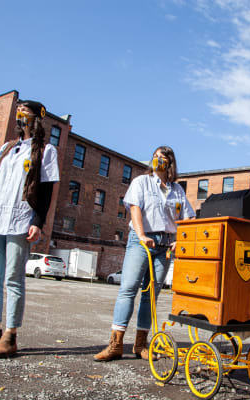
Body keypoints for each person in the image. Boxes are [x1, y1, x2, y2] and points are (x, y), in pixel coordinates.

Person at [0, 100, 59, 358]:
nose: (20, 117)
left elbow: (47, 190)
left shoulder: (45, 150)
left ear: (37, 119)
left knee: (13, 279)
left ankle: (10, 335)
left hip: (20, 219)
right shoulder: (7, 148)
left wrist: (38, 222)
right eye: (18, 113)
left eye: (25, 114)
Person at [94, 145, 195, 362]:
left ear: (170, 163)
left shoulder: (178, 190)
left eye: (163, 157)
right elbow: (134, 209)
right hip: (142, 241)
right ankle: (115, 344)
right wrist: (141, 235)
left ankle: (140, 345)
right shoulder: (141, 182)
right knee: (128, 289)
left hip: (165, 246)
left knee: (150, 296)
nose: (158, 160)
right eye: (155, 156)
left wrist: (181, 239)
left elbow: (189, 218)